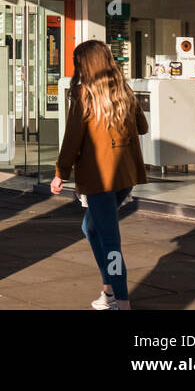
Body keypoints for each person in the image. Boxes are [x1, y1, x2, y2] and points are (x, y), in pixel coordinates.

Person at [51, 39, 149, 310]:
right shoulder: (124, 91)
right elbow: (142, 127)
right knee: (90, 228)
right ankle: (108, 290)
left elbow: (72, 139)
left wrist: (61, 172)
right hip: (124, 177)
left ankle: (122, 302)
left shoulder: (85, 95)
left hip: (98, 179)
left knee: (110, 242)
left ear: (85, 64)